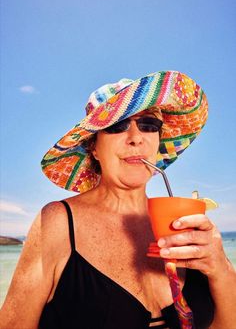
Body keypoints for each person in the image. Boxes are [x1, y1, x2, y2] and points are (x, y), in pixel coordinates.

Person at [0, 70, 235, 329]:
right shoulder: (57, 223)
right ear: (94, 147)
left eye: (148, 125)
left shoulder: (181, 224)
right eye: (116, 126)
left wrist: (221, 268)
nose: (136, 137)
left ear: (158, 142)